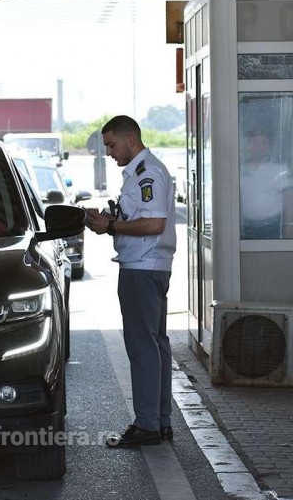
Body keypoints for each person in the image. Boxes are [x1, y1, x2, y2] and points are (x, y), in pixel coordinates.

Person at [85, 115, 177, 447]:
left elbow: (153, 224)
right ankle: (160, 421)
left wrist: (109, 226)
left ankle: (148, 425)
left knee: (142, 346)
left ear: (130, 140)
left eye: (111, 144)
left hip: (142, 267)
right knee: (156, 344)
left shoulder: (146, 173)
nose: (108, 151)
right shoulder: (142, 173)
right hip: (151, 266)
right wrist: (110, 220)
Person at [239, 129, 293, 239]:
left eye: (263, 143)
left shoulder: (279, 169)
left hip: (272, 228)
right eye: (255, 143)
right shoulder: (240, 169)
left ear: (268, 146)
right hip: (245, 229)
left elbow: (290, 199)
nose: (259, 147)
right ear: (248, 146)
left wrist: (290, 228)